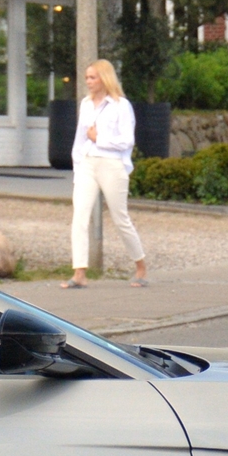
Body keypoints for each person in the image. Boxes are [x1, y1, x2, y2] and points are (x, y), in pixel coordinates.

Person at [66, 58, 146, 288]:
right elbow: (80, 137)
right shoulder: (85, 104)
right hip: (87, 163)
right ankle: (79, 272)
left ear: (104, 78)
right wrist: (78, 163)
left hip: (112, 164)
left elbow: (127, 140)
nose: (89, 82)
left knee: (120, 217)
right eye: (87, 78)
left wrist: (99, 138)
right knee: (79, 215)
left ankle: (140, 265)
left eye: (93, 77)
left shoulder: (121, 105)